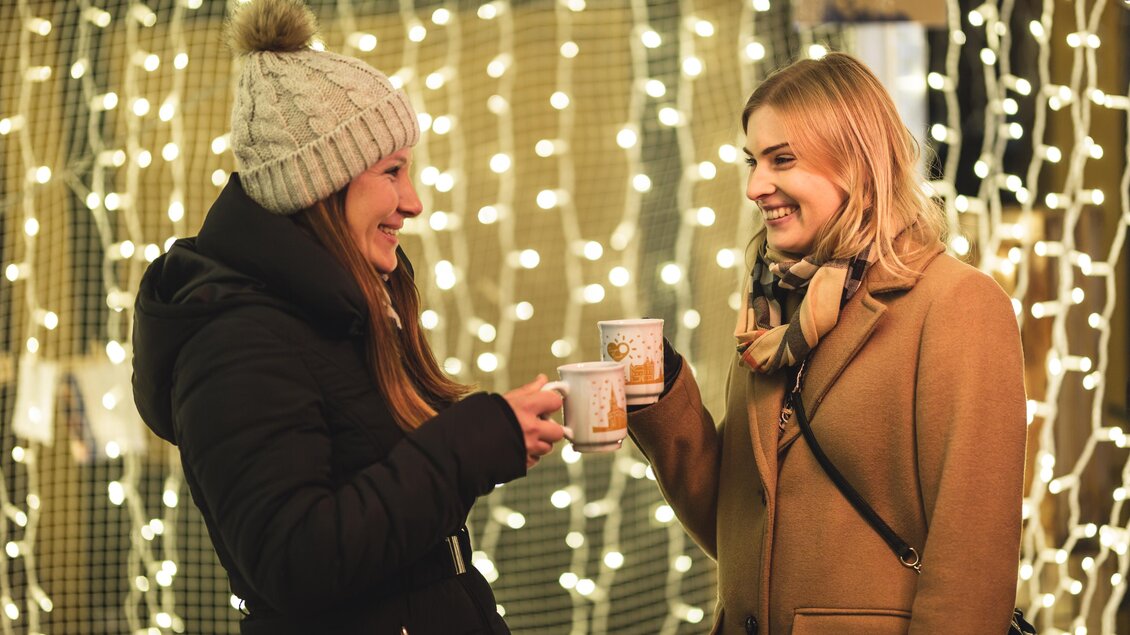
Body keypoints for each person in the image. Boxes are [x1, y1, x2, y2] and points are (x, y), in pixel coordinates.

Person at [131, 0, 564, 633]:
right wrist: (468, 444)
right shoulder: (234, 340)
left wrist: (495, 433)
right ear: (319, 185)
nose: (411, 202)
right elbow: (296, 560)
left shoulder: (336, 308)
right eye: (391, 172)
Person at [627, 52, 1027, 634]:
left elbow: (973, 561)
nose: (755, 186)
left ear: (858, 164)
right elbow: (739, 526)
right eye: (752, 161)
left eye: (781, 160)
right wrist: (661, 396)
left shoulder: (956, 304)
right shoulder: (771, 312)